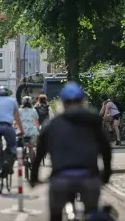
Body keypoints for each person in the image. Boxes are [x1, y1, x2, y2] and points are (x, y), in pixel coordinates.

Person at [30, 82, 112, 221]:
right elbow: (106, 150)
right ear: (83, 101)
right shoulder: (93, 121)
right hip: (89, 178)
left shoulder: (52, 124)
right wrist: (106, 175)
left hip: (60, 179)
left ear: (62, 102)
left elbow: (39, 154)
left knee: (55, 214)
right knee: (92, 211)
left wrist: (33, 178)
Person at [0, 86, 24, 174]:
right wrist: (22, 130)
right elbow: (17, 117)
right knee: (12, 145)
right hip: (7, 126)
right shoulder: (12, 101)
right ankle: (6, 163)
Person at [18, 96, 39, 161]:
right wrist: (37, 129)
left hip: (22, 131)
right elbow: (36, 121)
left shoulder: (20, 110)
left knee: (20, 145)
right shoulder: (33, 110)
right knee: (31, 147)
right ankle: (33, 164)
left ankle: (21, 158)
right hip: (32, 131)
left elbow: (16, 121)